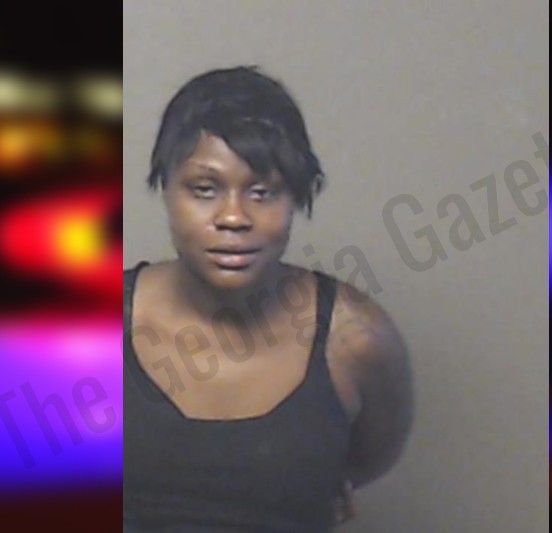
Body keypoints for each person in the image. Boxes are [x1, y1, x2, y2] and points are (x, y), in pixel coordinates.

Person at [123, 66, 414, 532]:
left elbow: (366, 459)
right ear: (166, 188)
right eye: (204, 189)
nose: (234, 217)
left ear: (295, 196)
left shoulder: (356, 340)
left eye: (263, 192)